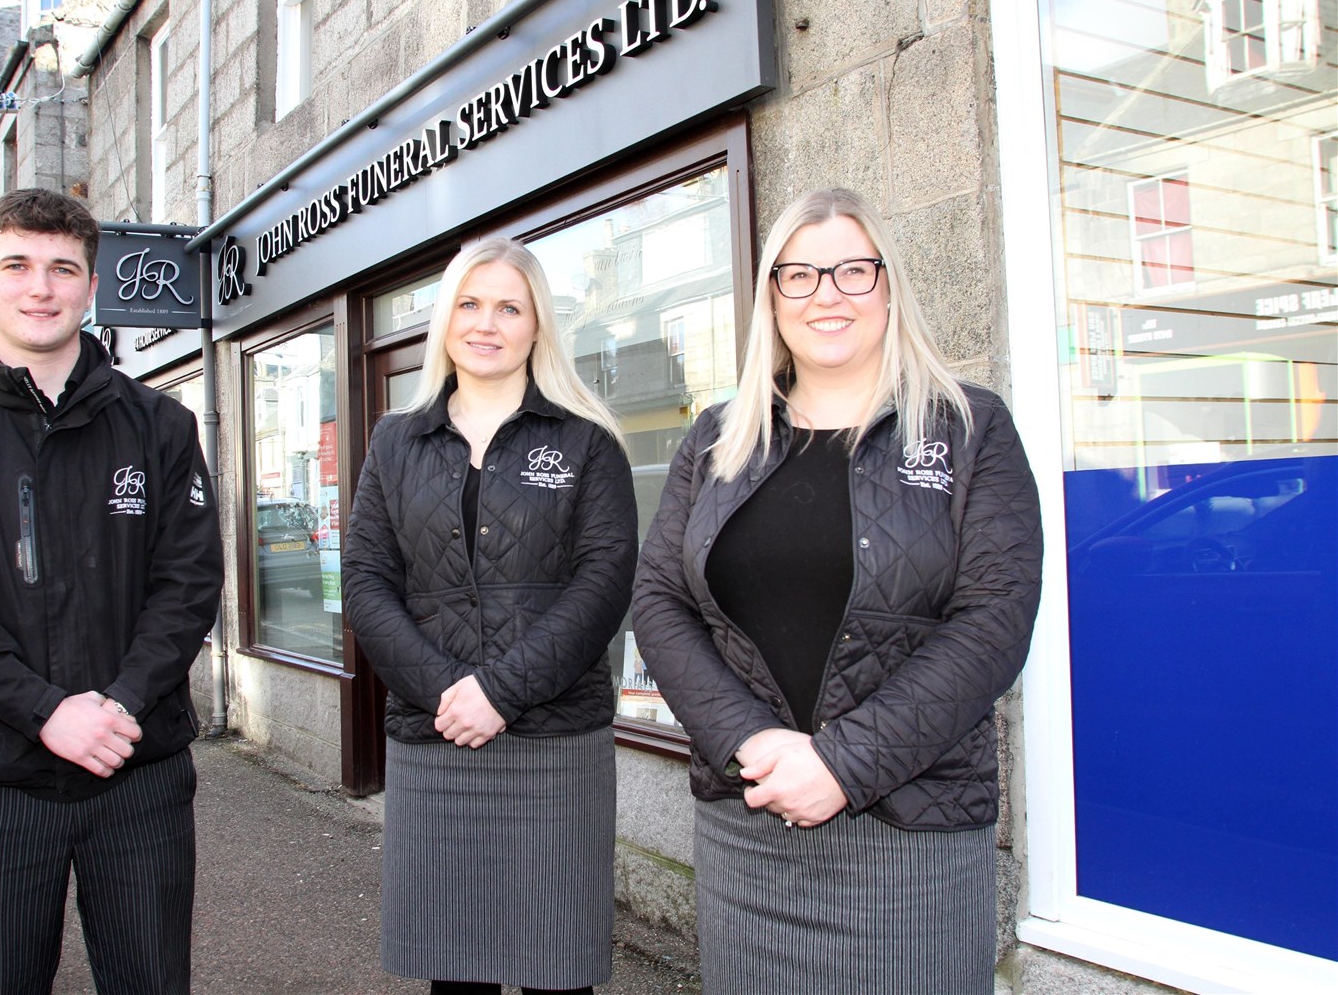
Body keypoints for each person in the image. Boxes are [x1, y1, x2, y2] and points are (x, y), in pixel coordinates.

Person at [632, 188, 1044, 994]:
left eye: (853, 271)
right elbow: (658, 603)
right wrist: (752, 743)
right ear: (773, 299)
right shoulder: (717, 437)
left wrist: (844, 765)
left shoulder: (969, 427)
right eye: (801, 275)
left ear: (889, 288)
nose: (828, 295)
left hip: (910, 829)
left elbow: (994, 619)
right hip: (745, 821)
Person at [0, 188, 224, 995]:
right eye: (19, 266)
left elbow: (187, 585)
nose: (41, 287)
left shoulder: (162, 427)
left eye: (63, 268)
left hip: (135, 769)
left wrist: (117, 706)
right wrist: (47, 712)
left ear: (92, 285)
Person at [343, 238, 638, 995]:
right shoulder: (394, 442)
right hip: (436, 737)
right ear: (444, 320)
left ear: (538, 325)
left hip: (554, 744)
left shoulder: (586, 441)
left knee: (556, 971)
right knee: (456, 975)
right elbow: (368, 583)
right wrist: (447, 691)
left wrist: (499, 693)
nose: (487, 323)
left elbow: (602, 586)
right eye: (469, 305)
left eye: (509, 306)